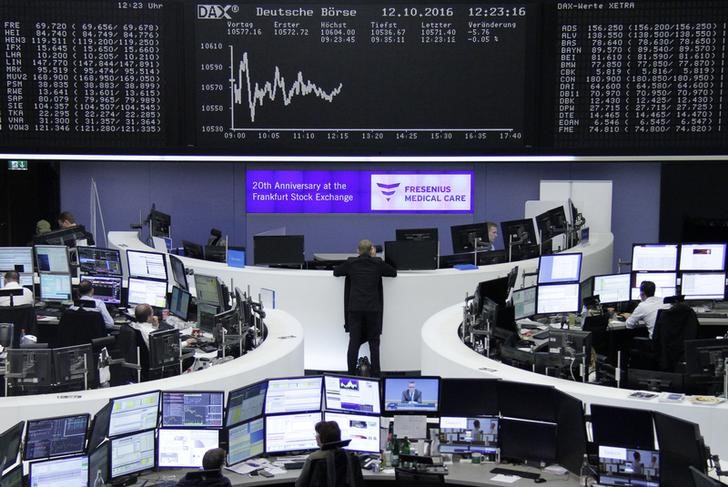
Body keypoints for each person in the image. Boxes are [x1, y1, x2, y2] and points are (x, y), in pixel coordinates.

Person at [333, 239, 396, 376]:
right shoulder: (377, 263)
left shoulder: (351, 263)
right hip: (373, 309)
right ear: (372, 250)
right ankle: (376, 375)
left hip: (355, 309)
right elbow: (393, 272)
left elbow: (336, 272)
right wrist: (374, 258)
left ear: (357, 251)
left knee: (354, 343)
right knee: (374, 343)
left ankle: (350, 373)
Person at [295, 421, 363, 487]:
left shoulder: (313, 458)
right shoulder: (351, 457)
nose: (315, 436)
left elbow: (299, 484)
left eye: (317, 434)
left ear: (322, 438)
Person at [130, 304, 196, 348]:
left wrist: (155, 326)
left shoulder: (136, 326)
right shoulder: (152, 334)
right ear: (149, 317)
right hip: (160, 361)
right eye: (152, 314)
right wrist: (187, 342)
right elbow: (169, 348)